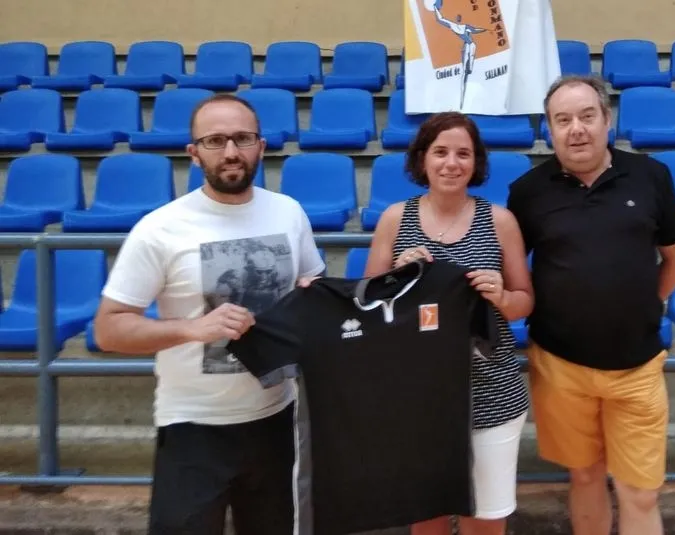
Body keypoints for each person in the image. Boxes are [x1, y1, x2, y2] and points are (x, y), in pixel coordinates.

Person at [93, 94, 325, 535]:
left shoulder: (289, 213)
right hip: (193, 426)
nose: (232, 152)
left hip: (277, 419)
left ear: (261, 145)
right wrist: (191, 328)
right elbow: (109, 328)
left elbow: (310, 290)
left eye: (243, 138)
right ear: (194, 153)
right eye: (216, 140)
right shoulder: (159, 229)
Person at [506, 75, 675, 535]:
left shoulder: (651, 176)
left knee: (640, 490)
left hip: (637, 366)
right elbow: (515, 271)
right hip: (559, 364)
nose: (576, 129)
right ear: (549, 129)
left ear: (606, 120)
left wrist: (645, 303)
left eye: (587, 116)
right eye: (562, 119)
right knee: (585, 476)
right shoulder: (528, 192)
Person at [362, 111, 534, 535]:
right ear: (422, 159)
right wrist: (394, 278)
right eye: (440, 152)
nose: (451, 163)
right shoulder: (394, 220)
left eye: (463, 153)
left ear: (477, 162)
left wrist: (499, 296)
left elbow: (524, 302)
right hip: (418, 397)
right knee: (428, 521)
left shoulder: (500, 221)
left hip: (491, 393)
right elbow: (365, 304)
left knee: (486, 521)